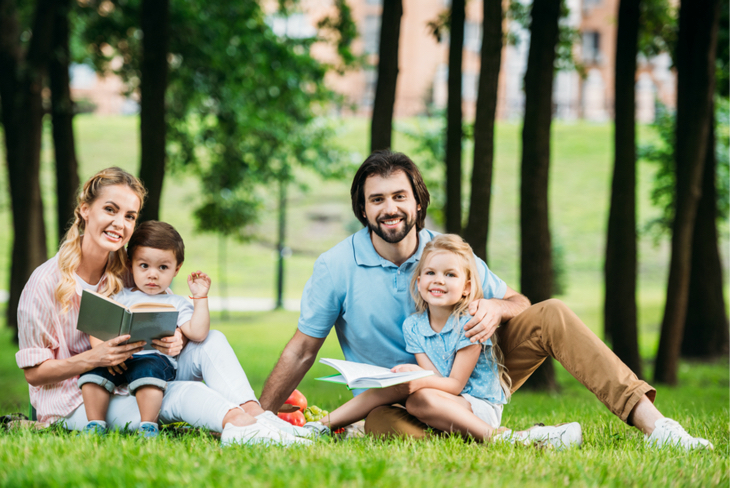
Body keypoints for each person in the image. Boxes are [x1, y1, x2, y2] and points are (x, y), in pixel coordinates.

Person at [260, 150, 713, 450]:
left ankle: (659, 428)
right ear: (363, 210)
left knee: (551, 312)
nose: (389, 207)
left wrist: (497, 307)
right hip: (396, 399)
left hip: (470, 375)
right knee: (384, 426)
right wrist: (261, 417)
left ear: (418, 202)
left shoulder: (448, 254)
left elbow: (517, 300)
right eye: (376, 199)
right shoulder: (336, 266)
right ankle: (520, 439)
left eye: (400, 195)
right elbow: (303, 348)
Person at [16, 167, 309, 446]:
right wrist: (95, 358)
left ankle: (256, 415)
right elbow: (34, 373)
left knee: (212, 340)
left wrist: (177, 337)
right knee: (183, 393)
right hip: (79, 400)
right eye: (110, 209)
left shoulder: (128, 268)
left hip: (139, 372)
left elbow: (166, 313)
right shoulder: (45, 282)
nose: (120, 223)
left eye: (130, 216)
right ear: (84, 209)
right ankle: (243, 428)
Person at [305, 234, 582, 449]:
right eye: (431, 273)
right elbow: (436, 378)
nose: (439, 281)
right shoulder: (413, 326)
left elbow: (455, 384)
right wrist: (415, 378)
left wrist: (417, 379)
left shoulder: (468, 322)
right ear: (419, 279)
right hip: (445, 400)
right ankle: (320, 426)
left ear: (466, 288)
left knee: (417, 398)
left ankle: (501, 437)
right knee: (396, 396)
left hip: (477, 404)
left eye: (450, 275)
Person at [78, 221, 215, 438]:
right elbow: (97, 330)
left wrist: (200, 298)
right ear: (131, 264)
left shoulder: (176, 303)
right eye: (144, 266)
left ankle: (148, 426)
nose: (153, 275)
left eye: (163, 267)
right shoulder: (121, 295)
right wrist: (105, 354)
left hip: (155, 359)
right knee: (92, 373)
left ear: (176, 269)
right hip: (119, 358)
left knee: (148, 372)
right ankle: (95, 424)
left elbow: (198, 333)